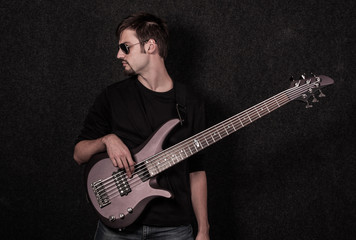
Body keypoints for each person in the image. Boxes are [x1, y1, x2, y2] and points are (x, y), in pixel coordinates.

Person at [73, 12, 210, 240]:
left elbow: (196, 172)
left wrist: (204, 230)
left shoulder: (190, 102)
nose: (118, 55)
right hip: (117, 229)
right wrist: (106, 140)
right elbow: (79, 154)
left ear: (150, 46)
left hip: (174, 229)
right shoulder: (113, 97)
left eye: (125, 47)